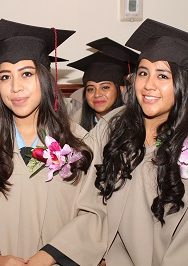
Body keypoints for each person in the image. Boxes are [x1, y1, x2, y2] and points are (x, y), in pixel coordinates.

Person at [0, 19, 105, 266]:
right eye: (5, 76)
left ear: (45, 79)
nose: (15, 87)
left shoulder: (77, 142)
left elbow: (92, 212)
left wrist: (48, 256)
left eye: (26, 74)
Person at [82, 18, 188, 265]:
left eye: (162, 75)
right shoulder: (113, 126)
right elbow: (83, 190)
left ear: (183, 83)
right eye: (143, 72)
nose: (148, 85)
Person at [67, 52, 125, 131]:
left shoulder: (134, 126)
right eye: (90, 89)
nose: (97, 94)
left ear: (121, 90)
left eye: (105, 87)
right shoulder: (73, 128)